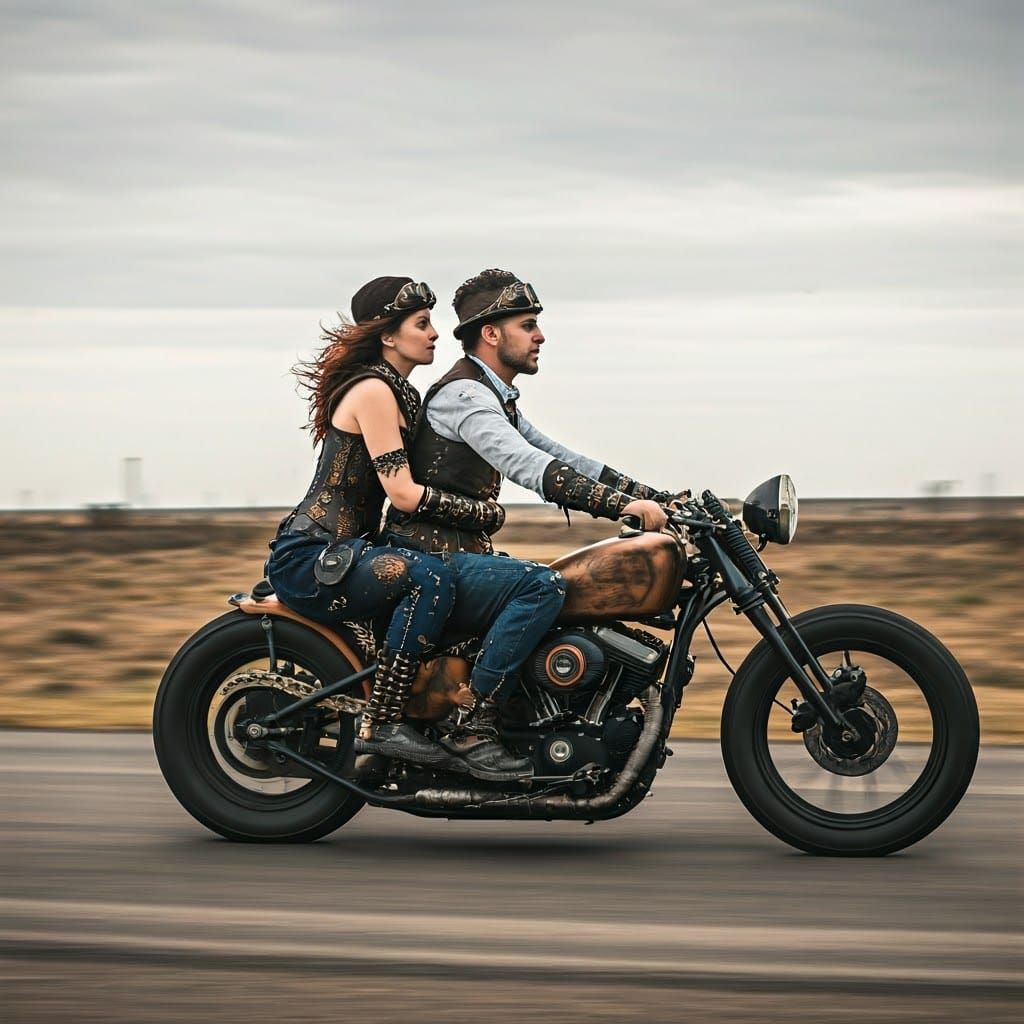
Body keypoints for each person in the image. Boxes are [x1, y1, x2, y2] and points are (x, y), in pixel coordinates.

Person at [382, 270, 673, 739]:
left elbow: (560, 455)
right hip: (430, 556)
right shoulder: (463, 396)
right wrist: (622, 507)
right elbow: (526, 464)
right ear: (491, 333)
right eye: (528, 324)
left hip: (459, 555)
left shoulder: (495, 397)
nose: (540, 335)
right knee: (543, 586)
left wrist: (654, 496)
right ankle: (473, 724)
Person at [267, 276, 506, 769]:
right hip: (314, 556)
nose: (436, 333)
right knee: (429, 578)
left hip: (348, 555)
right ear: (388, 336)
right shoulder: (375, 390)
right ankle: (384, 723)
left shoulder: (403, 395)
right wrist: (483, 513)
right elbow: (402, 493)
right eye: (422, 324)